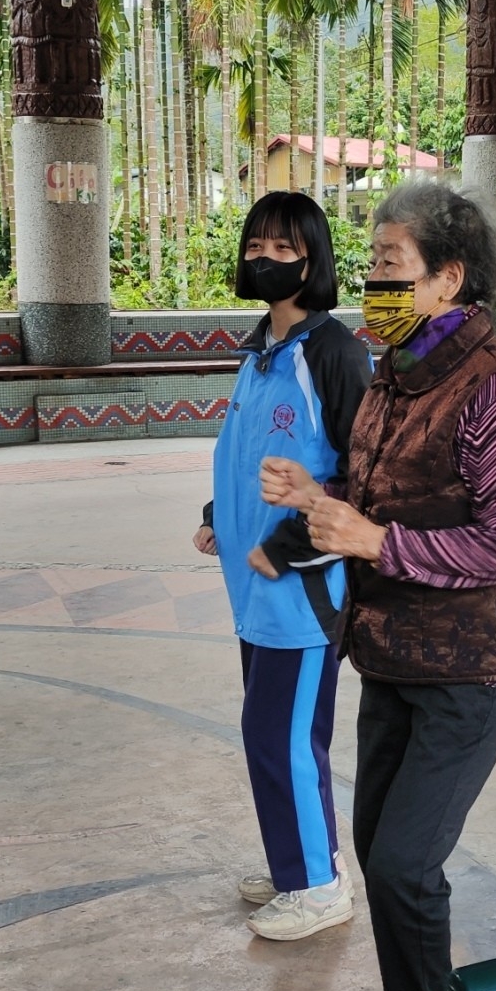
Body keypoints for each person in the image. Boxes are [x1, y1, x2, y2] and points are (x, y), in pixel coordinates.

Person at [261, 181, 496, 991]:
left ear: (449, 279)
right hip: (392, 652)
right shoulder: (394, 374)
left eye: (391, 265)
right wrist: (318, 498)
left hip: (473, 666)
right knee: (380, 850)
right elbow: (373, 489)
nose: (374, 281)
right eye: (375, 263)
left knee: (404, 862)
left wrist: (374, 541)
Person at [196, 192, 374, 941]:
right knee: (271, 731)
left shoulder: (333, 353)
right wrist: (218, 515)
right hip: (253, 587)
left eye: (282, 248)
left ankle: (320, 887)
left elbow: (363, 476)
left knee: (284, 737)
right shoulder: (260, 351)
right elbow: (245, 454)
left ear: (313, 259)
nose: (264, 258)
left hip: (300, 587)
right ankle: (299, 860)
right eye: (255, 246)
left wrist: (287, 548)